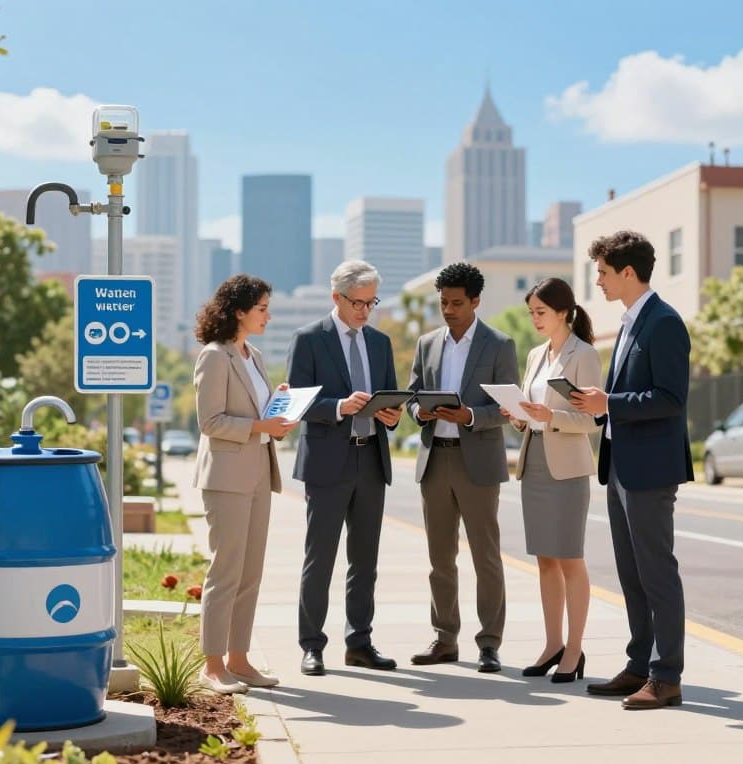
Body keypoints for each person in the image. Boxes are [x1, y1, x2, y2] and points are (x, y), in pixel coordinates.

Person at [571, 230, 693, 710]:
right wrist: (600, 408)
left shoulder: (663, 323)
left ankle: (667, 676)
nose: (597, 280)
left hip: (649, 470)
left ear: (627, 272)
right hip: (620, 465)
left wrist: (610, 402)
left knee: (657, 573)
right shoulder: (628, 323)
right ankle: (640, 665)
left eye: (602, 272)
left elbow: (670, 398)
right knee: (632, 574)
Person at [287, 260, 403, 676]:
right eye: (358, 303)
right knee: (320, 558)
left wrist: (391, 416)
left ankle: (360, 642)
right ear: (336, 297)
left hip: (371, 457)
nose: (365, 311)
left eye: (371, 303)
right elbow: (297, 403)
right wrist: (338, 406)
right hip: (327, 463)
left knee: (364, 560)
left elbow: (389, 397)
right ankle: (312, 645)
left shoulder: (380, 342)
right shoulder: (308, 340)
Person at [406, 262, 518, 673]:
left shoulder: (499, 344)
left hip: (479, 463)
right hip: (435, 459)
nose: (448, 310)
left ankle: (490, 644)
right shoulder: (427, 343)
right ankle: (445, 639)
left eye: (456, 303)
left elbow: (507, 406)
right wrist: (419, 409)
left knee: (486, 557)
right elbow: (412, 394)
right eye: (443, 303)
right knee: (440, 558)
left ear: (475, 301)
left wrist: (469, 415)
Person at [193, 275, 298, 694]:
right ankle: (213, 665)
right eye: (262, 309)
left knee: (250, 572)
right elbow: (210, 422)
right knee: (226, 571)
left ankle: (239, 659)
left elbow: (256, 418)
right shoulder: (215, 357)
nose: (268, 316)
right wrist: (260, 424)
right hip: (226, 477)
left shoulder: (251, 355)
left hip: (257, 471)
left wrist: (278, 412)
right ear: (239, 311)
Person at [503, 278, 601, 683]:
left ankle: (575, 650)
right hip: (535, 462)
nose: (535, 319)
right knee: (544, 559)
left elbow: (594, 419)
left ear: (564, 312)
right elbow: (534, 410)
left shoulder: (585, 355)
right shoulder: (535, 355)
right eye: (531, 313)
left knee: (569, 558)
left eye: (541, 312)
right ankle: (552, 644)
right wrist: (519, 416)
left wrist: (550, 418)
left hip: (568, 467)